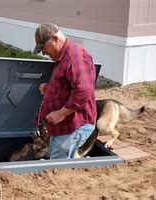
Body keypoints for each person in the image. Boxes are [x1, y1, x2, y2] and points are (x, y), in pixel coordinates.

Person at [33, 23, 97, 159]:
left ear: (55, 38)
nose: (44, 53)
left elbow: (83, 90)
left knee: (58, 168)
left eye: (44, 48)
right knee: (61, 164)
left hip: (74, 126)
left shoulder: (74, 57)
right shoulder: (62, 57)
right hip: (64, 126)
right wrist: (50, 89)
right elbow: (69, 84)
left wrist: (62, 113)